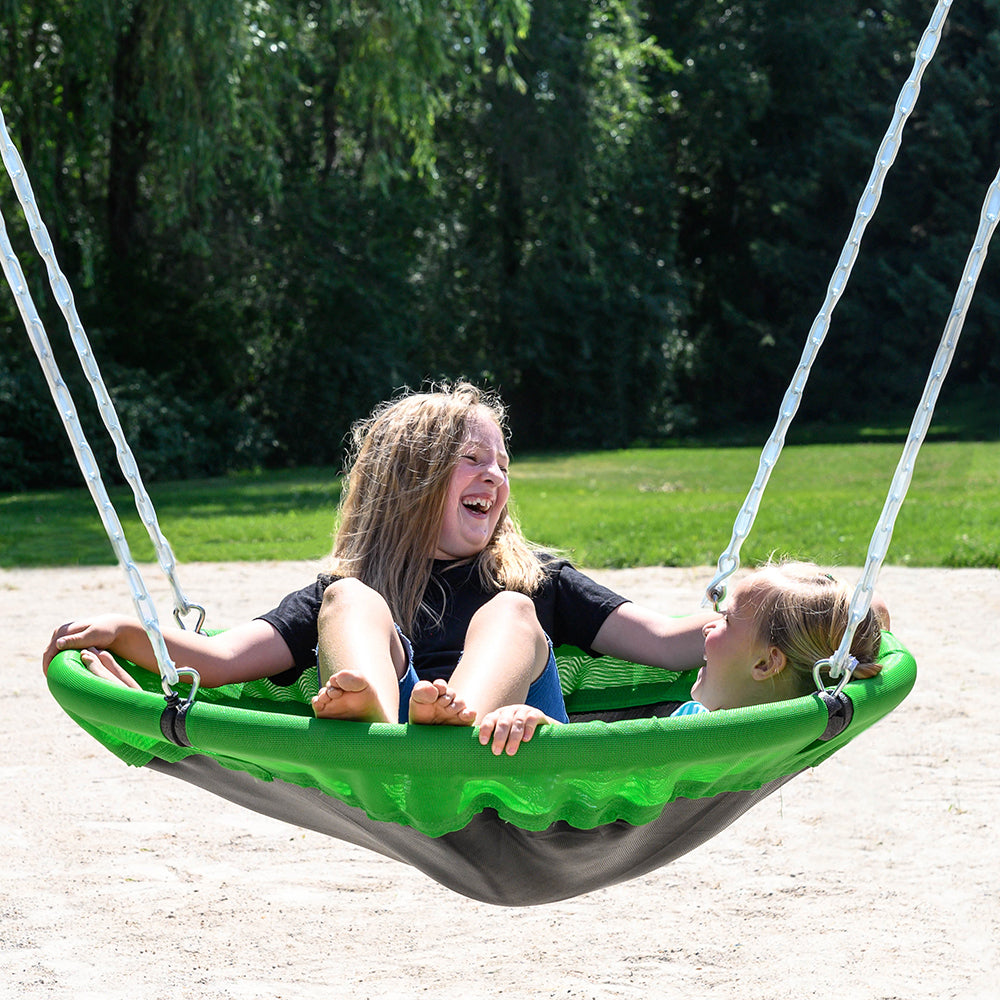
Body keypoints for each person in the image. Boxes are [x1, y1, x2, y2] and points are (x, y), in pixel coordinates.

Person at [43, 382, 716, 755]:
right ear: (412, 476)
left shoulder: (537, 579)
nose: (496, 478)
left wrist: (747, 616)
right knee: (350, 602)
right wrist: (125, 631)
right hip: (397, 742)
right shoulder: (346, 591)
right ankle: (371, 703)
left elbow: (666, 643)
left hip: (515, 747)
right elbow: (216, 662)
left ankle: (455, 715)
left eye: (503, 465)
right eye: (474, 460)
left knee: (512, 612)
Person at [669, 560, 889, 716]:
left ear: (766, 663)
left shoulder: (683, 739)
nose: (707, 627)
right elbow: (877, 605)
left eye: (727, 620)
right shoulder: (797, 737)